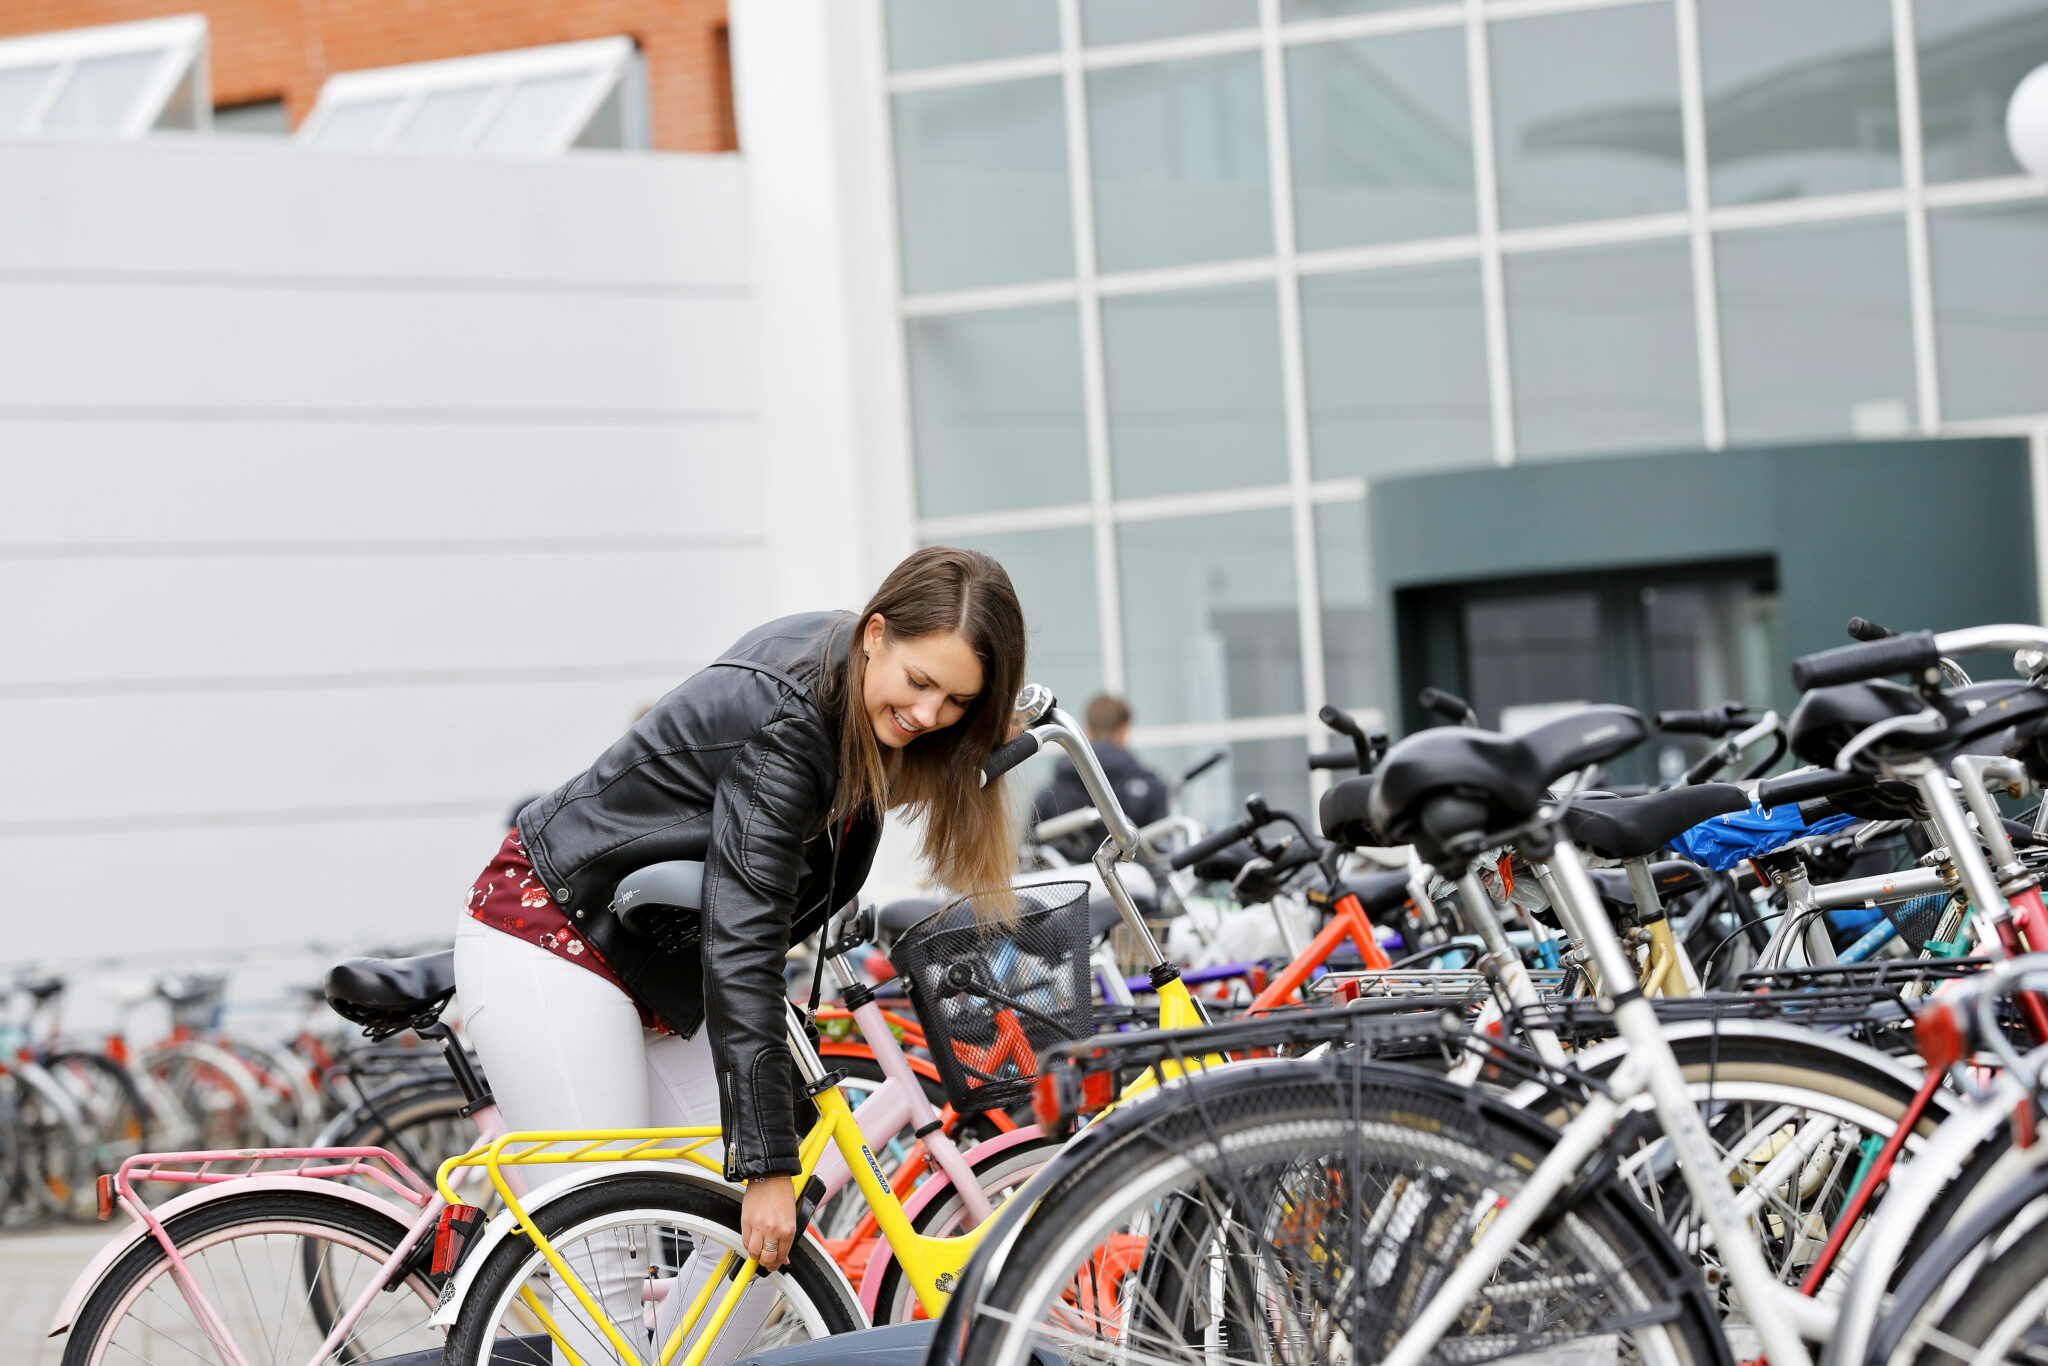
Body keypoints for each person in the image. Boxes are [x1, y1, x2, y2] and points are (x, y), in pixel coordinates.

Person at [452, 546, 1025, 1333]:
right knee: (604, 1248)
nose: (928, 715)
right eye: (920, 683)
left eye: (958, 702)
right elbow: (744, 940)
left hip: (644, 957)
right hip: (553, 934)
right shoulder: (795, 728)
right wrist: (760, 1167)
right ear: (876, 634)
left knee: (778, 1221)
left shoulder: (855, 691)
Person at [1032, 694, 1170, 840]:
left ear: (1088, 731)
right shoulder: (1151, 788)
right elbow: (1163, 848)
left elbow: (1031, 851)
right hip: (1128, 862)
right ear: (1124, 730)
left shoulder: (1050, 793)